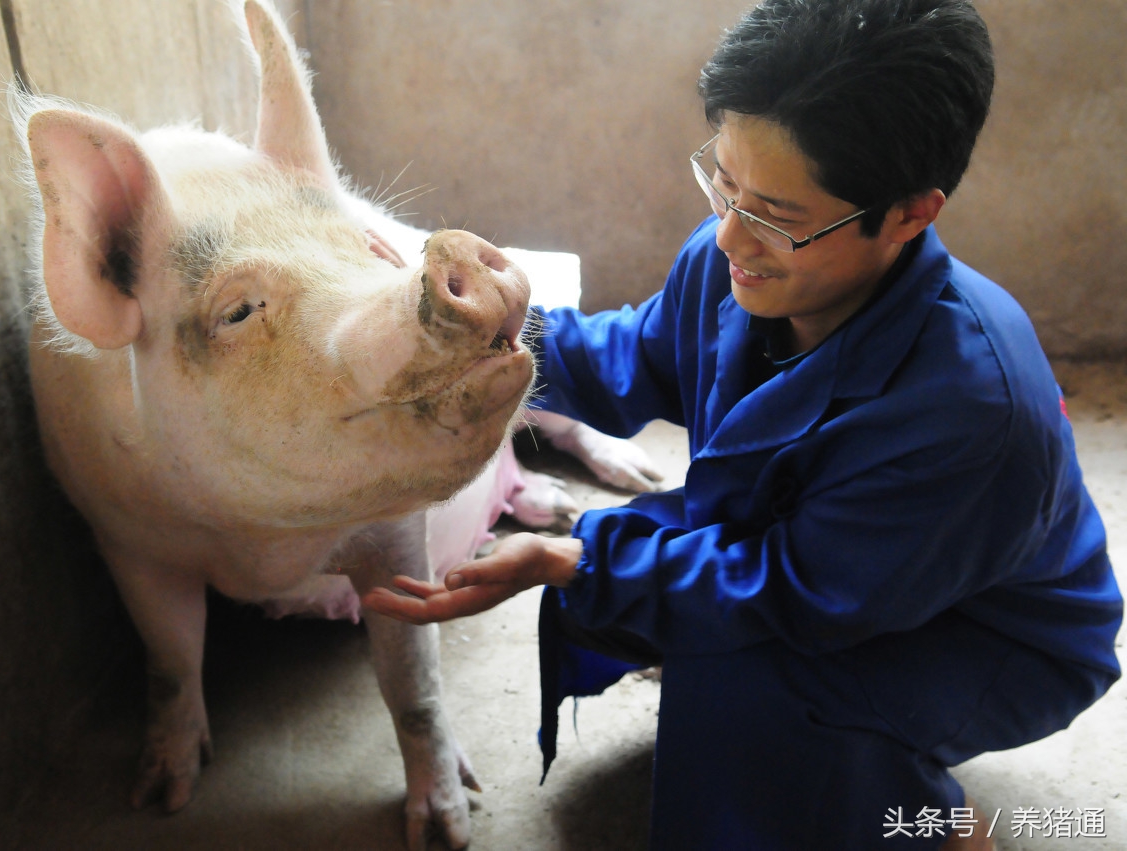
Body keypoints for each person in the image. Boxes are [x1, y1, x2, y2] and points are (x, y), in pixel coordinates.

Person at [363, 0, 1123, 847]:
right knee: (658, 587)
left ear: (910, 214)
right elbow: (634, 357)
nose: (729, 235)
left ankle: (930, 824)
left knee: (752, 680)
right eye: (724, 182)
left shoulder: (970, 407)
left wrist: (573, 560)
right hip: (840, 562)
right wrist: (490, 329)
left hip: (986, 631)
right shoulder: (736, 258)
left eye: (776, 216)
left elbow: (798, 590)